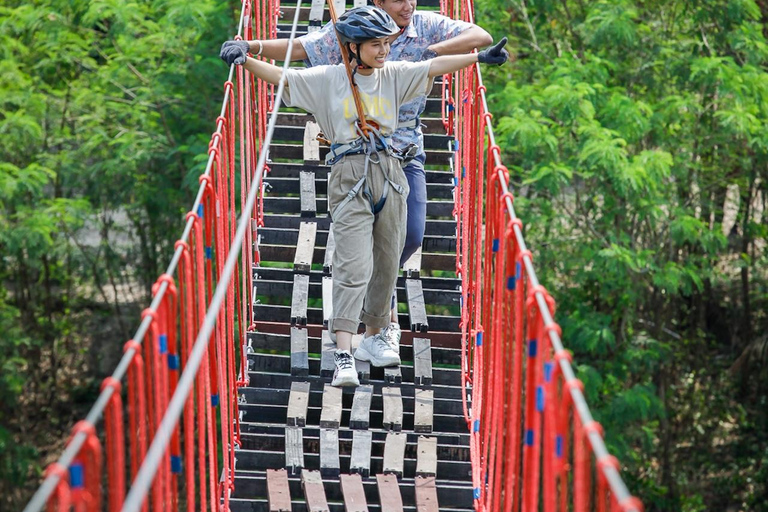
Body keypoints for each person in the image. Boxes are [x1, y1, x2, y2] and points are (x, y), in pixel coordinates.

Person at [220, 6, 508, 386]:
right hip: (350, 176)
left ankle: (374, 336)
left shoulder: (396, 73)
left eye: (387, 43)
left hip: (392, 172)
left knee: (389, 259)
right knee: (354, 266)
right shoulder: (328, 78)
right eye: (377, 44)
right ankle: (344, 351)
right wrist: (246, 57)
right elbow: (284, 75)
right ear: (354, 48)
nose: (385, 50)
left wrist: (478, 59)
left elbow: (434, 67)